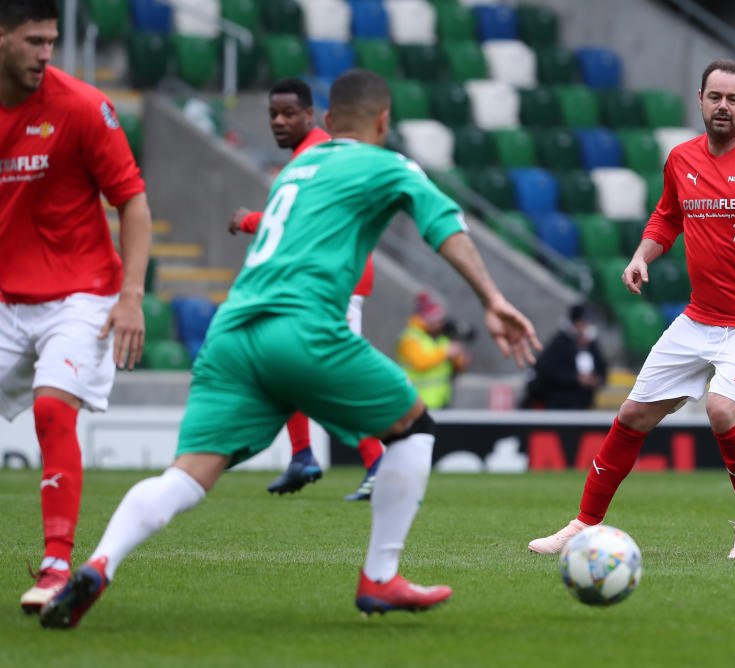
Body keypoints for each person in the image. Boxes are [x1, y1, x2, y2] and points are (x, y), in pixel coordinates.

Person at [40, 68, 541, 629]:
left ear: (327, 123)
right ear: (384, 121)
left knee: (184, 476)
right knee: (415, 429)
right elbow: (444, 224)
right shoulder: (388, 164)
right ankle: (381, 577)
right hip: (302, 327)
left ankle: (100, 563)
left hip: (231, 333)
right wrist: (493, 300)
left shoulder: (297, 168)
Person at [528, 59, 735, 559]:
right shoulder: (681, 158)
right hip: (700, 318)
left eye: (733, 99)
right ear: (700, 99)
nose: (723, 106)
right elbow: (668, 216)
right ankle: (583, 524)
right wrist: (641, 255)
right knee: (630, 415)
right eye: (715, 97)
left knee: (720, 409)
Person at [0, 0, 152, 612]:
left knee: (52, 410)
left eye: (51, 41)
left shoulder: (85, 107)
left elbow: (133, 203)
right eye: (33, 41)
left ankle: (57, 564)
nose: (45, 54)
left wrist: (131, 297)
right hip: (8, 295)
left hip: (82, 292)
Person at [227, 78, 383, 500]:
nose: (278, 122)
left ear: (311, 116)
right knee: (285, 367)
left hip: (337, 280)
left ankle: (378, 461)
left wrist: (246, 221)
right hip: (326, 278)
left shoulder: (313, 154)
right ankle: (302, 456)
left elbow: (295, 224)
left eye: (288, 114)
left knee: (334, 376)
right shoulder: (308, 152)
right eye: (273, 115)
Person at [522, 304, 607, 410]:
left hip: (583, 403)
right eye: (582, 323)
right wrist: (576, 379)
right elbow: (548, 372)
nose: (585, 327)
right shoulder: (559, 343)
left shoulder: (591, 344)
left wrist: (596, 379)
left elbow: (602, 366)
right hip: (558, 404)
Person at [396, 291, 470, 410]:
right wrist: (445, 352)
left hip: (441, 399)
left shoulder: (442, 338)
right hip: (417, 401)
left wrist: (459, 358)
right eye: (435, 320)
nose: (439, 324)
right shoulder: (410, 338)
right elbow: (421, 362)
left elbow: (456, 367)